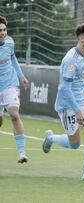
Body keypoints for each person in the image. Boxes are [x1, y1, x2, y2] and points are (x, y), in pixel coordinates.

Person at [42, 22, 84, 182]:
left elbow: (81, 78)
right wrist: (77, 111)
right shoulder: (71, 60)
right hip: (68, 105)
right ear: (82, 38)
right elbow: (65, 89)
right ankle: (51, 138)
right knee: (75, 144)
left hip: (82, 100)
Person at [0, 16, 30, 164]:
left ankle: (22, 152)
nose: (2, 33)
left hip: (9, 84)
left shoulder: (10, 42)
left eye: (4, 30)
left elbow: (13, 58)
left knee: (14, 114)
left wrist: (21, 76)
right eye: (0, 30)